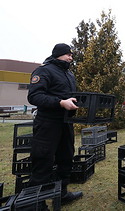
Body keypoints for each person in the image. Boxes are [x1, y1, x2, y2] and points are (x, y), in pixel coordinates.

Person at [27, 43, 83, 206]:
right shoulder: (43, 70)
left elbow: (69, 96)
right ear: (58, 54)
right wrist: (60, 102)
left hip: (66, 123)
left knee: (66, 158)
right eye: (68, 54)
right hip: (47, 123)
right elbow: (34, 96)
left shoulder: (69, 74)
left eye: (71, 54)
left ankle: (62, 194)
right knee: (43, 160)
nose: (71, 57)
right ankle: (36, 203)